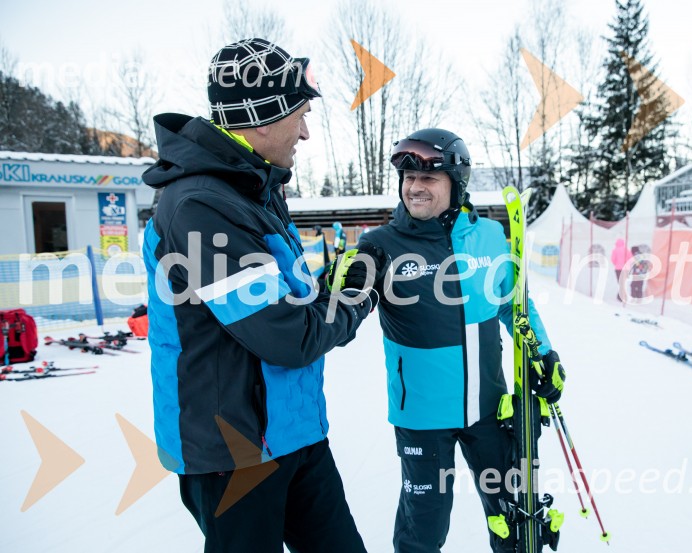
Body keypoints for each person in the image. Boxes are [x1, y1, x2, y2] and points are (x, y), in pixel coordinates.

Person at [141, 38, 374, 553]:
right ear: (266, 118)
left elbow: (291, 299)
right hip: (235, 454)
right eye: (302, 115)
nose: (307, 132)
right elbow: (286, 334)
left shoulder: (256, 192)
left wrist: (332, 283)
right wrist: (356, 299)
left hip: (294, 432)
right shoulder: (201, 207)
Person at [328, 129, 566, 552]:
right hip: (421, 418)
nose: (415, 188)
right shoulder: (380, 246)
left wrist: (542, 354)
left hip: (490, 410)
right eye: (408, 178)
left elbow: (513, 306)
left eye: (428, 179)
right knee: (425, 528)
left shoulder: (492, 238)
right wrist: (341, 294)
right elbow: (343, 313)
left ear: (455, 184)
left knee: (512, 516)